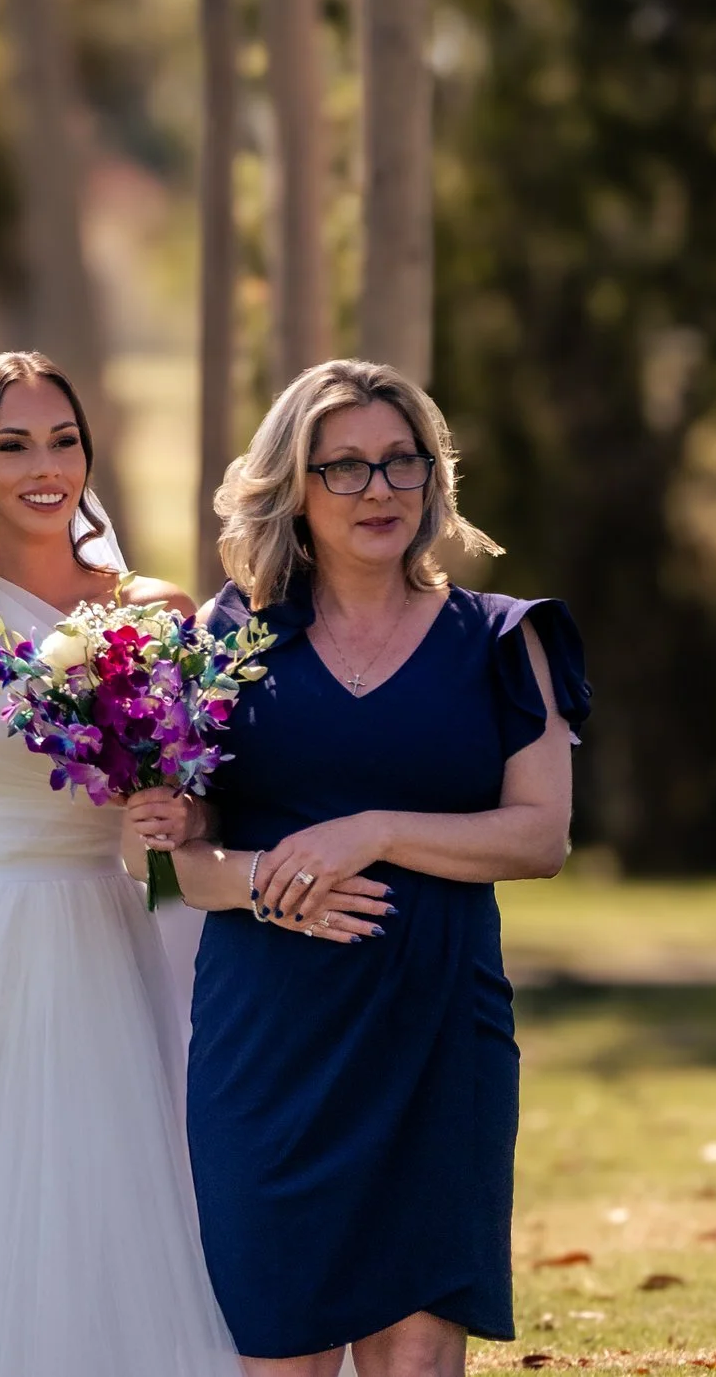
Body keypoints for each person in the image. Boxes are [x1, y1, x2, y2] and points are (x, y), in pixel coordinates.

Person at [130, 359, 588, 1377]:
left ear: (434, 478)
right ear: (294, 484)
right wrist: (253, 873)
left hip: (435, 1035)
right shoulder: (224, 641)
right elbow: (183, 870)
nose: (378, 489)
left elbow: (539, 837)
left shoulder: (505, 641)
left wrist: (372, 829)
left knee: (417, 1358)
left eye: (400, 462)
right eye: (343, 467)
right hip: (269, 1042)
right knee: (282, 1356)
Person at [0, 350, 246, 1376]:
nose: (44, 464)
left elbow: (202, 796)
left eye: (63, 439)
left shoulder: (152, 612)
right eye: (12, 443)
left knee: (120, 1213)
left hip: (110, 946)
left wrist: (175, 809)